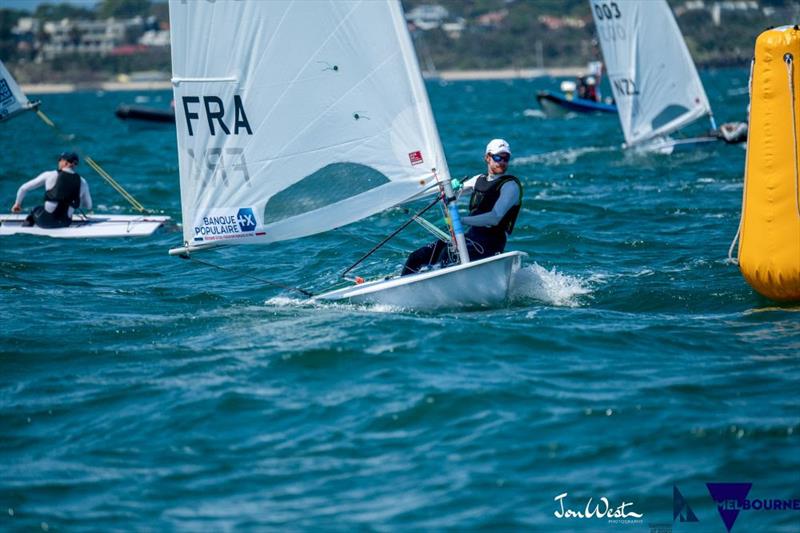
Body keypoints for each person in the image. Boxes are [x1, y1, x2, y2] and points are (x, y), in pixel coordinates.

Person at [402, 138, 523, 275]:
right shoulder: (478, 179)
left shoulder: (510, 186)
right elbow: (450, 191)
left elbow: (494, 217)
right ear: (487, 158)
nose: (502, 162)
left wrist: (461, 220)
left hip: (489, 244)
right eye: (497, 157)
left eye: (505, 158)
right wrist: (448, 187)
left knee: (448, 257)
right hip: (469, 238)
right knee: (417, 257)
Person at [11, 151, 92, 228]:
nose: (58, 163)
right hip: (65, 223)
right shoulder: (83, 182)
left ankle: (25, 231)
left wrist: (17, 204)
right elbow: (89, 206)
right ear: (75, 164)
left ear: (65, 162)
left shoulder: (49, 175)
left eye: (59, 160)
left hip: (46, 222)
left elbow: (23, 188)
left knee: (35, 209)